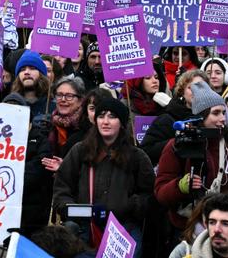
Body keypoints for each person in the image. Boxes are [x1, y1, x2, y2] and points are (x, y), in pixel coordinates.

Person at [51, 95, 154, 246]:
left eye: (112, 117)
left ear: (122, 123)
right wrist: (72, 211)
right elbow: (62, 189)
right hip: (83, 229)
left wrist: (128, 206)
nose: (105, 121)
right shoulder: (80, 151)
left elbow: (149, 194)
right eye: (101, 116)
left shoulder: (137, 156)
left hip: (123, 229)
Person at [155, 81, 228, 233]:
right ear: (200, 117)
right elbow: (160, 193)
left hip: (224, 228)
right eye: (216, 113)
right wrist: (180, 186)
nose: (222, 118)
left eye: (224, 112)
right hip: (187, 228)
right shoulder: (177, 145)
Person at [23, 75, 90, 231]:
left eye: (69, 96)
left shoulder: (88, 129)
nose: (63, 99)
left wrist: (65, 169)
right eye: (59, 95)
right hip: (44, 199)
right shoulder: (46, 125)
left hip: (75, 199)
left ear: (81, 100)